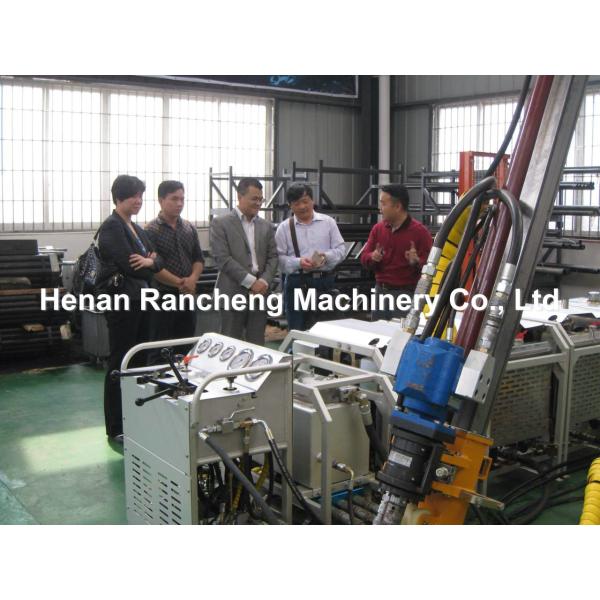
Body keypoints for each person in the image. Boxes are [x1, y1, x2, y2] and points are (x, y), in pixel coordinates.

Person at [97, 175, 183, 444]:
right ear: (118, 198)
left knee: (138, 360)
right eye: (132, 196)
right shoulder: (112, 227)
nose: (138, 201)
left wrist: (149, 262)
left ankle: (133, 420)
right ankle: (115, 426)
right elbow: (130, 266)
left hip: (142, 301)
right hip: (122, 303)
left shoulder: (135, 228)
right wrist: (149, 263)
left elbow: (159, 260)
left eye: (140, 196)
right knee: (120, 361)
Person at [209, 177, 279, 345]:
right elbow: (222, 258)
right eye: (254, 198)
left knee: (257, 344)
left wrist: (263, 281)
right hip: (232, 292)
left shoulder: (266, 226)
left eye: (261, 199)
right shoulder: (221, 223)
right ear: (240, 197)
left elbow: (273, 257)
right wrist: (251, 282)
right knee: (230, 344)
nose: (258, 203)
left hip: (260, 294)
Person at [275, 183, 346, 331]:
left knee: (327, 330)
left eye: (305, 201)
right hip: (296, 284)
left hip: (324, 282)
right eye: (296, 203)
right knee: (297, 329)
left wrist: (326, 257)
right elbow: (278, 259)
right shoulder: (284, 228)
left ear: (313, 201)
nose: (302, 206)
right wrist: (298, 263)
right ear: (290, 206)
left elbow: (341, 250)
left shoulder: (328, 223)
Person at [145, 181, 204, 357]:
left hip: (187, 295)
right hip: (162, 296)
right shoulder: (150, 230)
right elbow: (154, 268)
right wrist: (180, 283)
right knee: (160, 346)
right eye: (174, 199)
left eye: (182, 199)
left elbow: (198, 259)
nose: (179, 203)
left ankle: (182, 375)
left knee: (185, 345)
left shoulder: (189, 228)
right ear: (161, 200)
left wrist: (192, 280)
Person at [360, 184, 433, 320]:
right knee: (377, 331)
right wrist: (372, 257)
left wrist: (416, 262)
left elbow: (431, 268)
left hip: (405, 296)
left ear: (398, 206)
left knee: (402, 332)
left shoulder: (420, 233)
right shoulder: (378, 229)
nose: (380, 208)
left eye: (383, 204)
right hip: (380, 293)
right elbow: (364, 257)